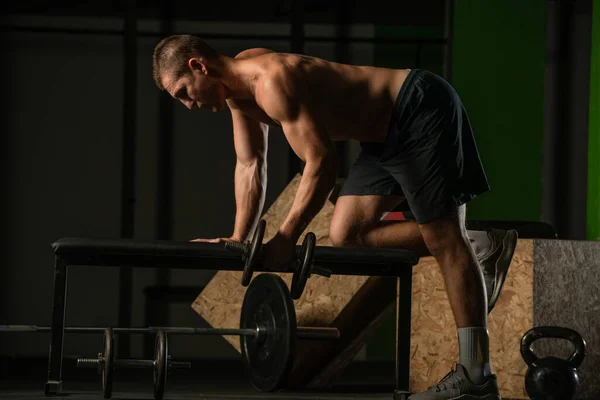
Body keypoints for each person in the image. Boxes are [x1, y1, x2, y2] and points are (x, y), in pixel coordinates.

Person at [152, 34, 517, 400]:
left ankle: (476, 375)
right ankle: (473, 242)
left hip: (417, 108)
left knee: (443, 241)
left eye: (183, 92)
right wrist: (238, 239)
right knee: (348, 235)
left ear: (198, 66)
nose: (188, 104)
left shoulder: (271, 81)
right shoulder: (237, 89)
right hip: (381, 138)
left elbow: (323, 165)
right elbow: (249, 164)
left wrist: (284, 238)